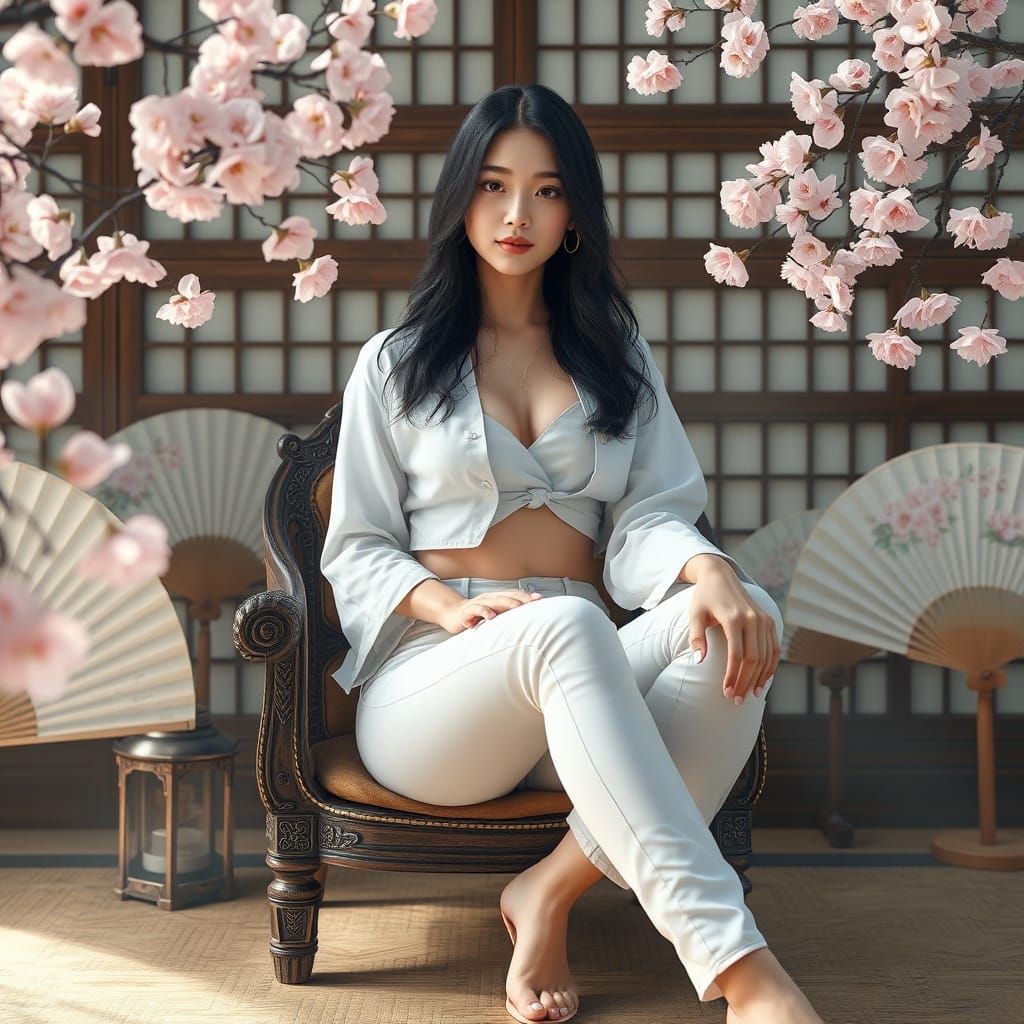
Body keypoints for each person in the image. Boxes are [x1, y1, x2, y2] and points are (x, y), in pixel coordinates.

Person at [321, 84, 825, 1024]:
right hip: (434, 695)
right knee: (565, 626)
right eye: (493, 185)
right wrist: (444, 608)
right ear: (461, 199)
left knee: (731, 617)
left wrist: (706, 569)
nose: (518, 216)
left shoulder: (614, 353)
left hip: (575, 675)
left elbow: (647, 521)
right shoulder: (393, 362)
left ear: (576, 214)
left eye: (547, 192)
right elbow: (354, 546)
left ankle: (544, 892)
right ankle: (743, 970)